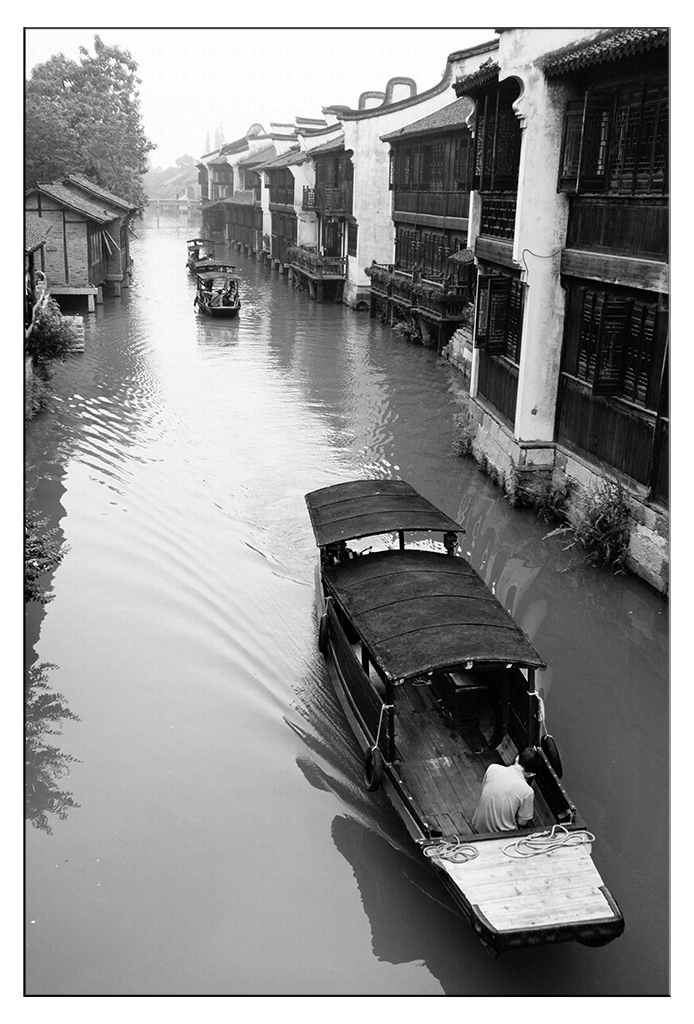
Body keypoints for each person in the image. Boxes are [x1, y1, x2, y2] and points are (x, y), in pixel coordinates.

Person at [472, 747, 544, 833]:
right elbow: (522, 822)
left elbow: (484, 789)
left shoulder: (493, 768)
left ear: (517, 758)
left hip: (477, 825)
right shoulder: (527, 792)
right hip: (501, 836)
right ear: (532, 774)